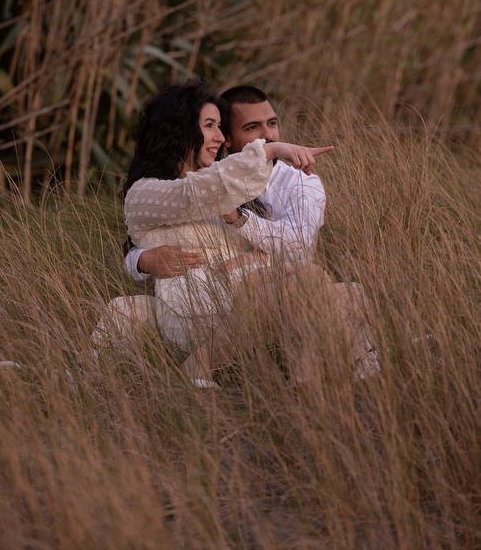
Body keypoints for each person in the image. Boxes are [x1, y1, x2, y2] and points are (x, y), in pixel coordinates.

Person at [120, 79, 375, 386]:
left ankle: (312, 379)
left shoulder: (246, 187)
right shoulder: (150, 191)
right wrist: (272, 151)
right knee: (309, 280)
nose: (218, 136)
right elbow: (193, 193)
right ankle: (331, 372)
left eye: (272, 125)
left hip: (245, 292)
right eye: (210, 126)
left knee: (348, 290)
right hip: (194, 304)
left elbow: (295, 245)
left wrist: (250, 248)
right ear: (181, 130)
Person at [124, 86, 327, 281]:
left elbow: (301, 247)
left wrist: (245, 229)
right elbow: (184, 198)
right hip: (233, 289)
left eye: (272, 124)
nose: (268, 136)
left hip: (266, 281)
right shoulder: (215, 181)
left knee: (322, 280)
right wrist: (140, 261)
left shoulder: (301, 181)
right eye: (252, 127)